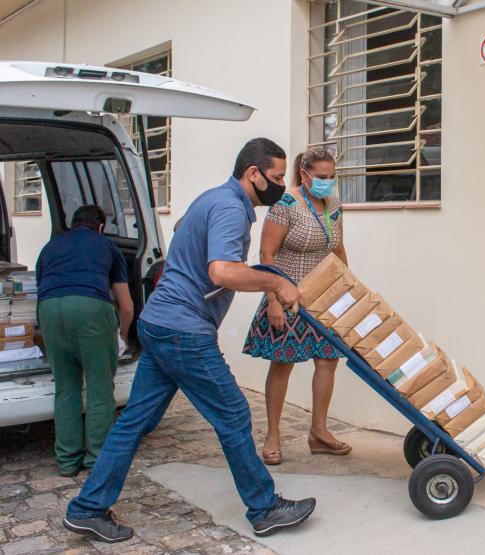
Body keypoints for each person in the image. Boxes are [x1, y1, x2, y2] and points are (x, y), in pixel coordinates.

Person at [64, 138, 317, 543]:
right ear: (253, 173)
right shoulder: (231, 208)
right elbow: (221, 271)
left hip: (158, 322)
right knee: (233, 414)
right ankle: (264, 508)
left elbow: (184, 227)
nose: (280, 186)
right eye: (275, 177)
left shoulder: (212, 199)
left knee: (134, 420)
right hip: (184, 331)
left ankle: (87, 508)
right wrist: (276, 283)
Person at [244, 149, 351, 464]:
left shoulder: (334, 206)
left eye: (331, 177)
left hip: (322, 297)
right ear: (304, 175)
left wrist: (348, 289)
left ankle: (319, 432)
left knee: (328, 360)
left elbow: (339, 250)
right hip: (286, 296)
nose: (327, 182)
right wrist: (273, 300)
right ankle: (272, 436)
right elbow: (267, 254)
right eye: (321, 177)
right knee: (282, 364)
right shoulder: (284, 205)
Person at [36, 205, 134, 477]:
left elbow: (43, 287)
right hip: (90, 309)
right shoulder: (107, 246)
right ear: (100, 227)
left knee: (65, 388)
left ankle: (67, 461)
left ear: (73, 224)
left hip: (49, 310)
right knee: (99, 387)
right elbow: (126, 306)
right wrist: (123, 335)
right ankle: (96, 460)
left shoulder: (51, 247)